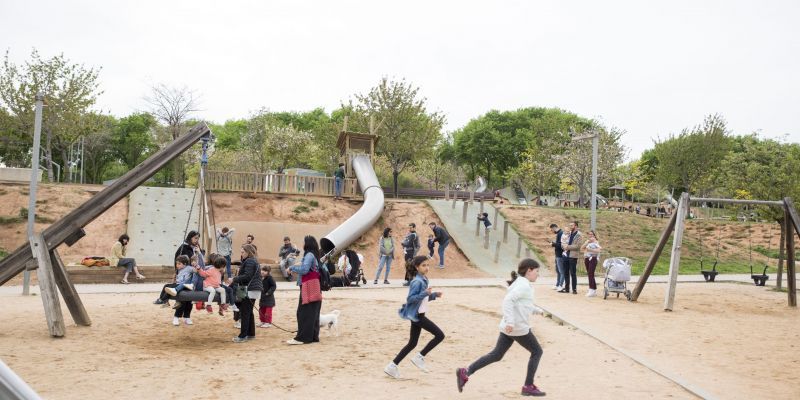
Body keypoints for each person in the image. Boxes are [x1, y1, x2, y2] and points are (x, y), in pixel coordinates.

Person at [455, 259, 546, 396]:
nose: (538, 274)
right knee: (537, 352)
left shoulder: (520, 282)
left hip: (508, 327)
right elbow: (508, 301)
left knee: (496, 355)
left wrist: (537, 310)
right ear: (529, 270)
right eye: (537, 271)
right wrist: (510, 322)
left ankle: (466, 372)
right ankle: (528, 386)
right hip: (516, 328)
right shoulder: (524, 285)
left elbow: (523, 304)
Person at [384, 255, 445, 379]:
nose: (427, 267)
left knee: (412, 343)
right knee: (440, 335)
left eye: (428, 265)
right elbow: (411, 299)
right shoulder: (417, 281)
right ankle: (420, 357)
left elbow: (422, 299)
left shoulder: (424, 279)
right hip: (418, 316)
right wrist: (425, 293)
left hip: (416, 315)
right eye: (423, 265)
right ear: (417, 267)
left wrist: (433, 295)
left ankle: (392, 366)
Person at [287, 235, 323, 345]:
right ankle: (313, 336)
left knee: (303, 313)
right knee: (313, 313)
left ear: (307, 244)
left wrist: (292, 268)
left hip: (308, 287)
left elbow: (304, 269)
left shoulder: (309, 255)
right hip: (315, 287)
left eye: (304, 242)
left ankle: (302, 338)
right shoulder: (314, 255)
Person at [229, 244, 263, 343]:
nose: (241, 254)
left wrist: (234, 279)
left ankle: (243, 336)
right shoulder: (251, 261)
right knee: (248, 312)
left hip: (249, 289)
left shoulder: (250, 261)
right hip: (247, 289)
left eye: (243, 252)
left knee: (245, 312)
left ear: (248, 252)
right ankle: (251, 334)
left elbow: (247, 276)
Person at [559, 221, 583, 295]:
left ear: (575, 226)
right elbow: (563, 242)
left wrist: (568, 247)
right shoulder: (568, 233)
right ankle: (567, 289)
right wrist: (563, 246)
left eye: (571, 225)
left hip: (573, 256)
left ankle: (574, 289)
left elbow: (578, 246)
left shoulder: (579, 235)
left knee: (573, 273)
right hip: (565, 255)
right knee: (566, 272)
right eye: (570, 225)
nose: (570, 226)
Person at [580, 230, 602, 298]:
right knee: (589, 274)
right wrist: (586, 243)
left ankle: (591, 289)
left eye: (592, 234)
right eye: (589, 234)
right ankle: (593, 289)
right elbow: (581, 248)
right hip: (587, 258)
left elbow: (599, 250)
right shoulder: (587, 241)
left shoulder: (595, 242)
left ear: (594, 235)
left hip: (593, 258)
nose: (590, 235)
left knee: (590, 273)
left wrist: (590, 250)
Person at [547, 224, 565, 291]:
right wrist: (553, 243)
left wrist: (553, 244)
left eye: (551, 229)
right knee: (558, 271)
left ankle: (560, 285)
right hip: (558, 255)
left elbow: (561, 245)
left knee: (561, 271)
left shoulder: (561, 233)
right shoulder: (559, 233)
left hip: (560, 255)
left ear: (554, 228)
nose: (551, 231)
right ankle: (558, 284)